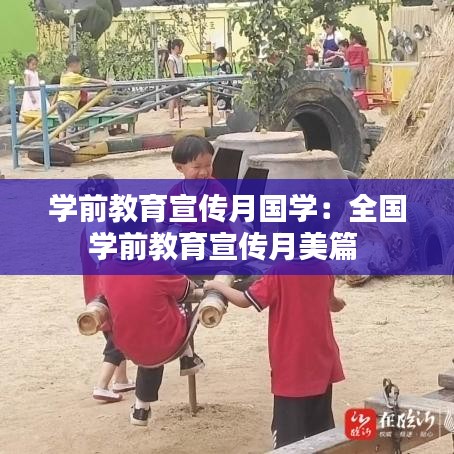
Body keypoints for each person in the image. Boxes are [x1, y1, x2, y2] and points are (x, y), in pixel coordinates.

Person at [203, 216, 345, 449]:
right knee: (320, 435)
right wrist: (337, 303)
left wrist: (217, 285)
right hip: (322, 361)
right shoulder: (323, 268)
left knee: (288, 440)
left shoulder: (279, 272)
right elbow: (331, 300)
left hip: (291, 367)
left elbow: (245, 300)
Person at [98, 207, 204, 426]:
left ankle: (141, 409)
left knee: (149, 339)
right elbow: (185, 290)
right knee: (184, 308)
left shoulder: (106, 267)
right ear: (148, 232)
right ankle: (187, 356)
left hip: (126, 346)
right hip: (166, 343)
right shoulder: (156, 265)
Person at [79, 174, 135, 403]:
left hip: (95, 287)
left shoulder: (89, 225)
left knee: (112, 331)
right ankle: (102, 385)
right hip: (110, 286)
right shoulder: (109, 224)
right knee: (120, 333)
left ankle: (121, 379)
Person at [57, 55, 108, 151]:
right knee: (70, 124)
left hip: (60, 102)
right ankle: (68, 143)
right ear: (74, 65)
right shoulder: (74, 76)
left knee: (62, 125)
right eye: (79, 66)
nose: (80, 68)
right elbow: (90, 80)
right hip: (69, 103)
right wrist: (104, 82)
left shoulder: (63, 75)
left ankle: (60, 142)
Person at [20, 55, 49, 121]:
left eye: (36, 64)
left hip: (37, 92)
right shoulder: (27, 73)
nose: (34, 66)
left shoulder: (35, 72)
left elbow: (37, 81)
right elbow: (27, 85)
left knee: (40, 106)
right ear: (28, 64)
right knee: (31, 107)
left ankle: (40, 120)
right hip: (31, 92)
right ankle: (31, 120)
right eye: (33, 64)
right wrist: (31, 96)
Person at [213, 46, 233, 125]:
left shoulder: (226, 65)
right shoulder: (220, 65)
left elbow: (228, 75)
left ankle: (224, 118)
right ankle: (224, 118)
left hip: (225, 86)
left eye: (215, 55)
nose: (214, 56)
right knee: (222, 101)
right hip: (221, 87)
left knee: (225, 102)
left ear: (220, 55)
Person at [167, 38, 186, 121]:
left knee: (179, 98)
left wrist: (184, 78)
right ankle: (171, 116)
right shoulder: (171, 58)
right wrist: (174, 81)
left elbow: (183, 70)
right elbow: (171, 71)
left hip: (180, 76)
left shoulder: (180, 58)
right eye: (181, 48)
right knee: (172, 98)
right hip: (174, 77)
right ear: (177, 47)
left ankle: (180, 115)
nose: (182, 50)